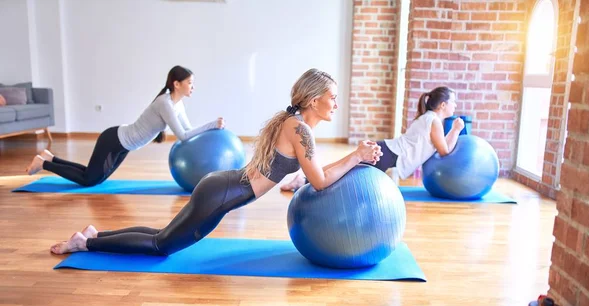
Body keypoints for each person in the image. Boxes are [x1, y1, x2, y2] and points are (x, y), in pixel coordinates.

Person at [50, 68, 382, 255]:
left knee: (164, 235)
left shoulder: (296, 124)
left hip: (220, 190)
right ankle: (87, 243)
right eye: (333, 97)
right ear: (314, 100)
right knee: (161, 245)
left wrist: (355, 156)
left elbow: (314, 173)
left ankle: (93, 236)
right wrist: (356, 156)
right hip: (219, 194)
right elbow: (321, 180)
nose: (336, 103)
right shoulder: (300, 131)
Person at [25, 65, 225, 186]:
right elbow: (182, 135)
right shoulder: (164, 103)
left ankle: (51, 158)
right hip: (114, 140)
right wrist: (212, 125)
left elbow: (188, 131)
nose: (193, 87)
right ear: (177, 84)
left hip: (124, 145)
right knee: (89, 180)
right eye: (190, 83)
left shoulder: (177, 104)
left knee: (94, 177)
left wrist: (211, 128)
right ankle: (43, 164)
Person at [280, 86, 465, 191]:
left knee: (346, 166)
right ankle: (303, 180)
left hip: (389, 152)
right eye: (453, 102)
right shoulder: (434, 121)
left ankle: (303, 178)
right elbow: (444, 151)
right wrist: (456, 129)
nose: (455, 105)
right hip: (390, 154)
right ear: (443, 105)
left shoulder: (429, 119)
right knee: (347, 169)